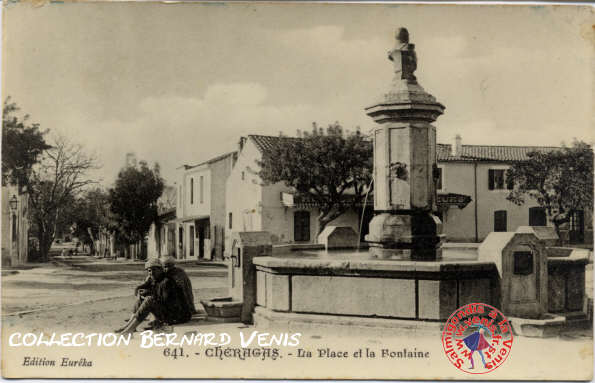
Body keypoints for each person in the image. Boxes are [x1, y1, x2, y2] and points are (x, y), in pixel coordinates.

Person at [115, 259, 193, 335]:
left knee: (149, 300)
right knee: (141, 300)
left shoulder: (167, 281)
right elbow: (146, 289)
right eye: (149, 270)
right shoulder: (155, 279)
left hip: (178, 315)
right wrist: (142, 293)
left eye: (154, 270)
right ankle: (128, 326)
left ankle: (129, 331)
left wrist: (148, 294)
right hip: (170, 312)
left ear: (161, 270)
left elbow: (165, 301)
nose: (151, 273)